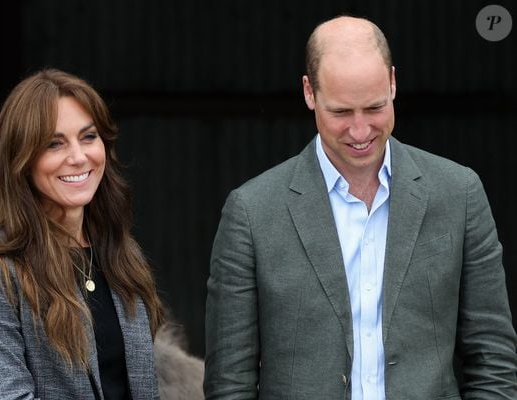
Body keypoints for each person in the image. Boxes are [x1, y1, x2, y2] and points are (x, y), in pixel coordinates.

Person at [204, 16, 517, 399]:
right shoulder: (252, 212)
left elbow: (493, 358)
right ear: (309, 92)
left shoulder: (459, 193)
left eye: (374, 108)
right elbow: (228, 383)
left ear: (393, 83)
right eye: (340, 112)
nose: (359, 131)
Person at [0, 69, 164, 399]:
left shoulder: (122, 251)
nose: (78, 157)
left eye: (89, 137)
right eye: (54, 144)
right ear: (20, 160)